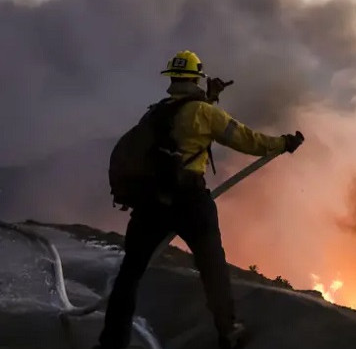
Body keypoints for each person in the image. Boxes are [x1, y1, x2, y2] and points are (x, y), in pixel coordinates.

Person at [95, 50, 304, 349]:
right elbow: (247, 139)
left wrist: (210, 98)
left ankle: (112, 343)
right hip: (190, 201)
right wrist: (283, 143)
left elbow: (183, 124)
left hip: (151, 205)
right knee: (212, 267)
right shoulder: (205, 113)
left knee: (130, 273)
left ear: (172, 79)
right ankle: (228, 330)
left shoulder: (155, 112)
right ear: (196, 77)